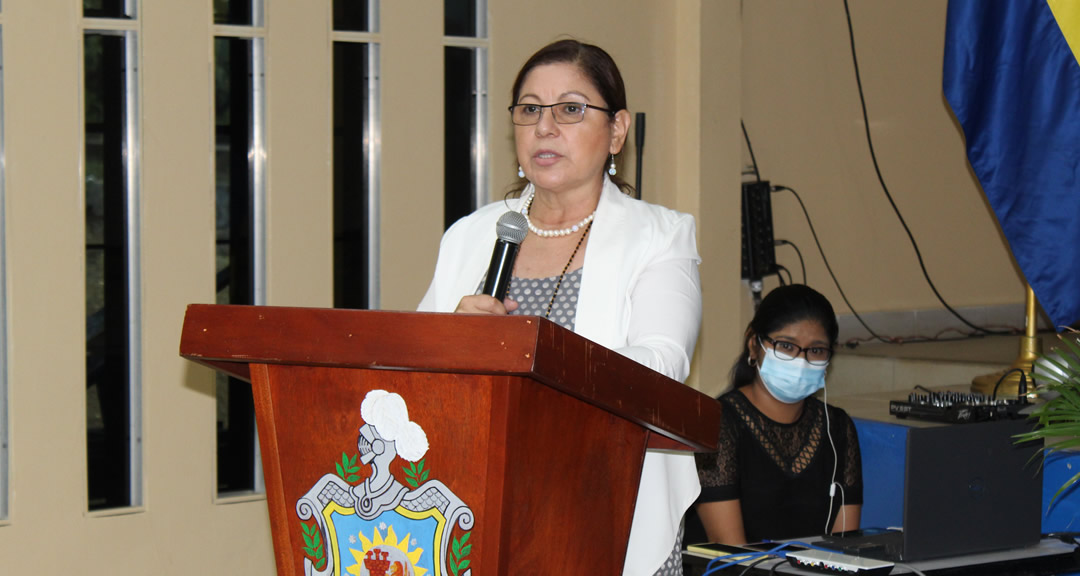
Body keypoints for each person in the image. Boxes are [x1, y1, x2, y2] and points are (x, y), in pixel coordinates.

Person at [419, 39, 702, 576]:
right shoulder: (471, 235)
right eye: (529, 109)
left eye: (570, 109)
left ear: (617, 129)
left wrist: (533, 353)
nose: (544, 127)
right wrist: (450, 340)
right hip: (479, 502)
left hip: (607, 504)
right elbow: (412, 368)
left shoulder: (660, 235)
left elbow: (663, 362)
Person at [693, 284, 862, 545]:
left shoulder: (838, 428)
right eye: (786, 346)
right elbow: (731, 554)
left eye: (816, 350)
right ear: (754, 345)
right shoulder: (719, 424)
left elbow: (845, 549)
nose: (801, 360)